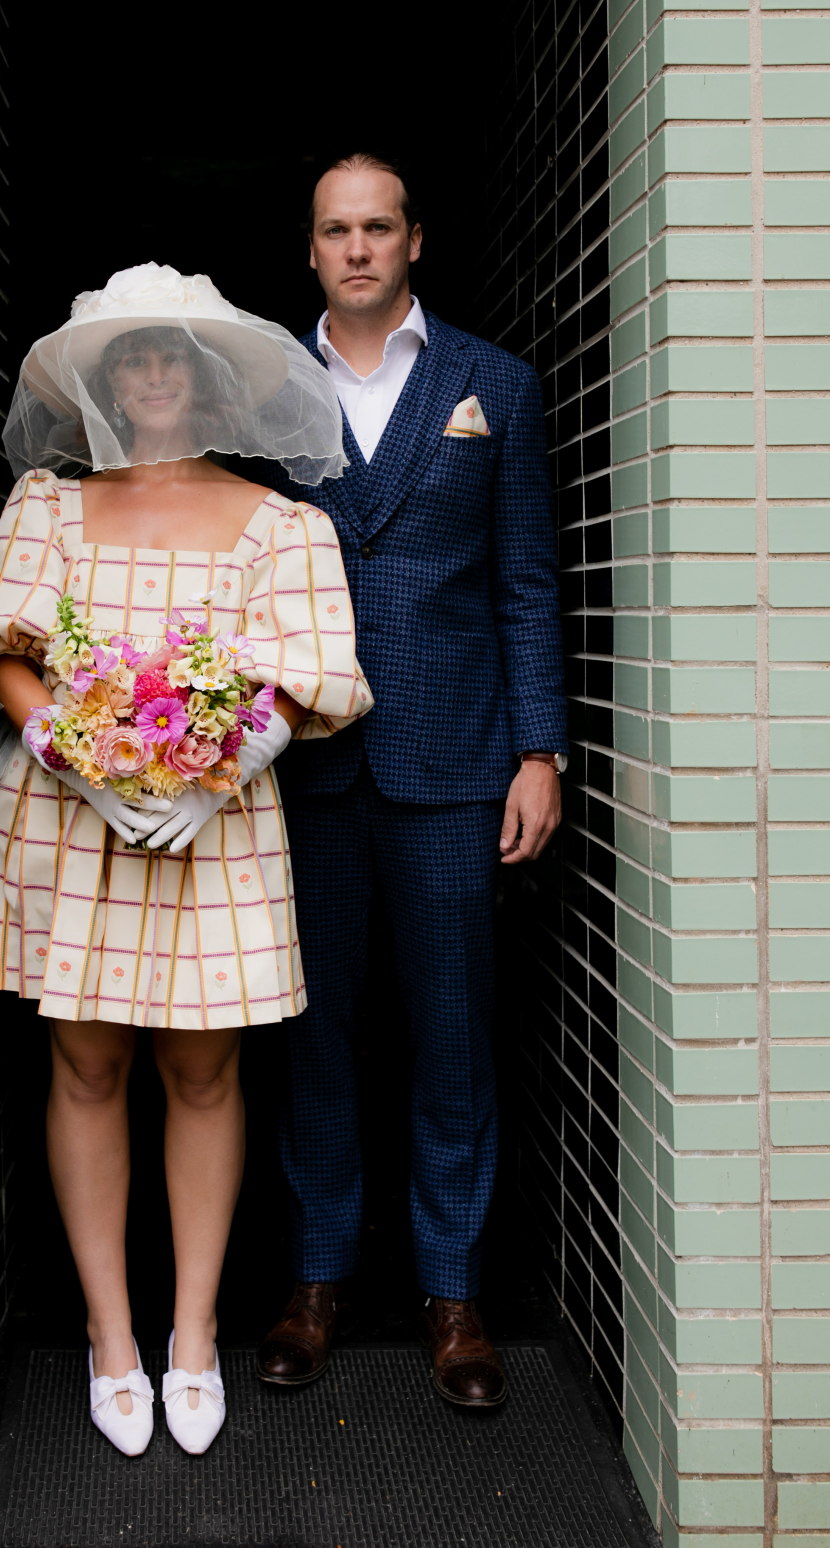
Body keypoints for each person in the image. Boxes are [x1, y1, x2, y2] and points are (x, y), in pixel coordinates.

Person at [0, 263, 372, 1457]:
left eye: (171, 357)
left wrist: (222, 770)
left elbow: (308, 672)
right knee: (87, 1065)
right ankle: (112, 1337)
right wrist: (74, 755)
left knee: (203, 1072)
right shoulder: (48, 504)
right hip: (74, 817)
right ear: (105, 383)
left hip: (212, 822)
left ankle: (193, 1335)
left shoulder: (282, 522)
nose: (151, 374)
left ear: (205, 381)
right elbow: (6, 648)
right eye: (131, 358)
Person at [256, 154, 567, 1410]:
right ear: (311, 248)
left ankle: (453, 1291)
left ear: (415, 240)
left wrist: (540, 749)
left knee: (451, 1031)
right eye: (336, 229)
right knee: (314, 1033)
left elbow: (525, 580)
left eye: (378, 227)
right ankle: (316, 1279)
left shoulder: (497, 384)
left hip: (455, 760)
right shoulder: (267, 392)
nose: (358, 248)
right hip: (306, 765)